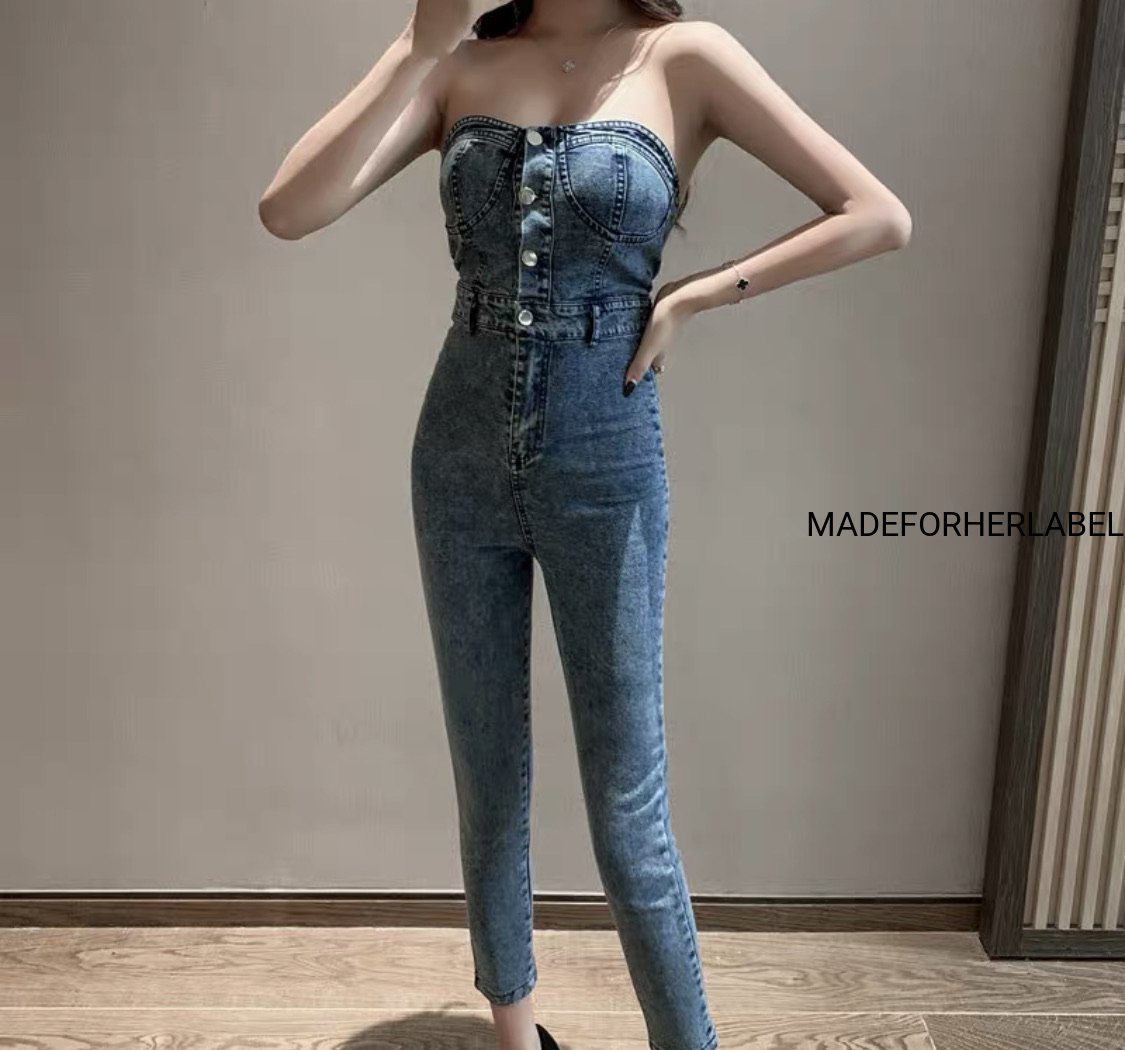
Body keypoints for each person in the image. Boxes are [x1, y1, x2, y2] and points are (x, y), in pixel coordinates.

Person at [258, 2, 911, 1049]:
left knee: (627, 808)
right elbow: (289, 209)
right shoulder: (460, 63)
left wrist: (697, 295)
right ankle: (516, 1036)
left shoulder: (684, 56)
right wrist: (419, 45)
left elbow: (876, 214)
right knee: (487, 776)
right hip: (457, 456)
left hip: (604, 458)